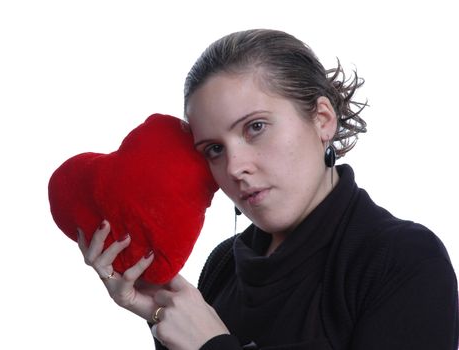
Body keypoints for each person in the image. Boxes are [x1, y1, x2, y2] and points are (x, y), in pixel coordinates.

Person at [77, 29, 459, 349]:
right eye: (213, 149)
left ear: (323, 120)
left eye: (255, 127)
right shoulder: (224, 264)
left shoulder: (402, 260)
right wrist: (158, 309)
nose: (234, 167)